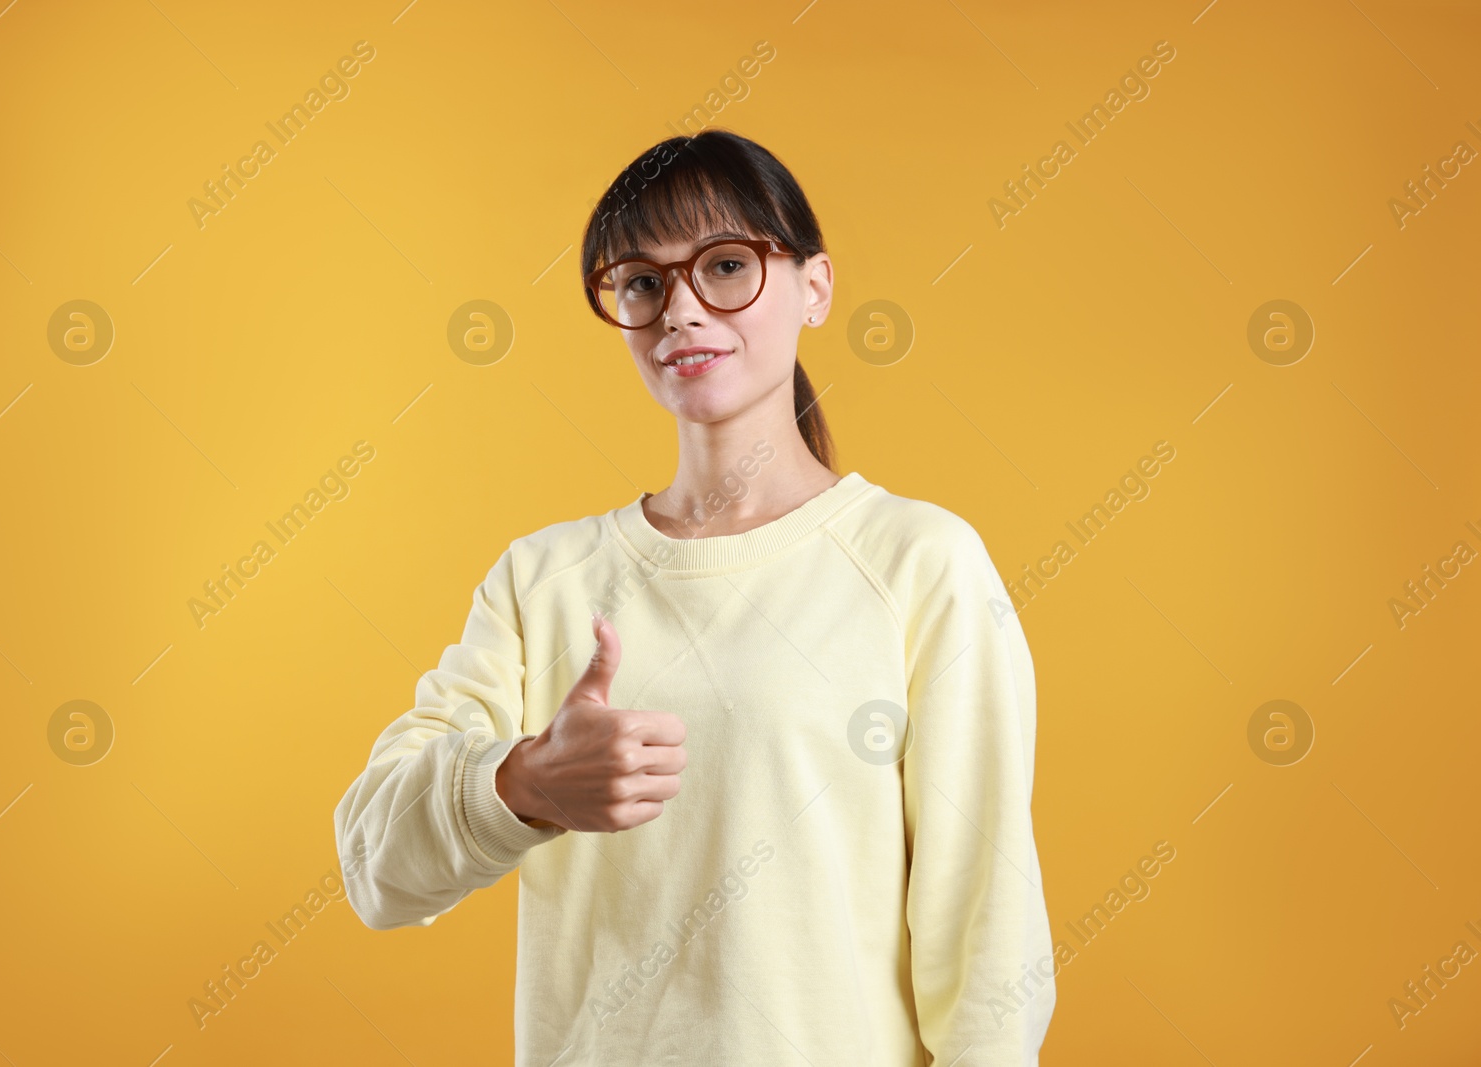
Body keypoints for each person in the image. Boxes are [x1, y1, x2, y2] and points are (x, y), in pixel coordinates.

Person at [333, 128, 1055, 1065]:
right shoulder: (542, 580)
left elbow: (986, 935)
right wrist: (521, 783)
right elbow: (374, 872)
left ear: (816, 287)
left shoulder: (920, 564)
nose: (680, 309)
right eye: (642, 281)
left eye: (724, 266)